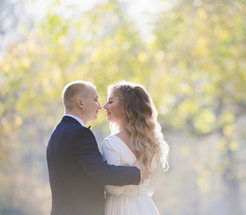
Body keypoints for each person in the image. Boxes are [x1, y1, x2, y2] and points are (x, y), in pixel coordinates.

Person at [46, 80, 146, 215]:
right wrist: (136, 173)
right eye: (95, 100)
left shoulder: (56, 134)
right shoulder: (80, 133)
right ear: (80, 103)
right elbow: (100, 171)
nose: (100, 106)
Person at [102, 81, 169, 215]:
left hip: (119, 208)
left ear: (125, 107)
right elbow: (150, 188)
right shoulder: (152, 144)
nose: (104, 106)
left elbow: (113, 189)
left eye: (110, 101)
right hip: (145, 207)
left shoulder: (111, 143)